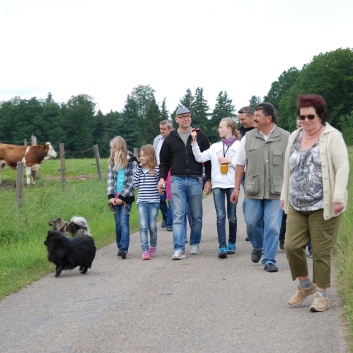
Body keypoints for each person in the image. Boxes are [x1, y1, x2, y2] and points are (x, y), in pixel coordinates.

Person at [281, 94, 349, 312]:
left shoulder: (332, 136)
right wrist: (284, 196)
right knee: (291, 246)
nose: (306, 120)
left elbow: (342, 167)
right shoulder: (294, 136)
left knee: (320, 252)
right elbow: (287, 170)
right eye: (302, 116)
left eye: (311, 116)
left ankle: (322, 294)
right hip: (296, 204)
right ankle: (305, 285)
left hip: (324, 204)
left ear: (320, 115)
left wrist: (338, 197)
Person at [230, 102, 289, 272]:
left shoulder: (286, 137)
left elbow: (292, 165)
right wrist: (236, 189)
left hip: (276, 190)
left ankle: (269, 260)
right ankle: (258, 246)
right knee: (251, 223)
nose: (253, 118)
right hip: (253, 189)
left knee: (272, 226)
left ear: (268, 118)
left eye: (257, 115)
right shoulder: (248, 138)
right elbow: (240, 164)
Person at [158, 106, 211, 260]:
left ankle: (195, 243)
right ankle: (179, 249)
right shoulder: (170, 138)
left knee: (196, 215)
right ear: (176, 119)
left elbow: (208, 159)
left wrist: (208, 179)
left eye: (188, 116)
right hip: (177, 180)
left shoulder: (200, 136)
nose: (186, 119)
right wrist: (162, 179)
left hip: (195, 179)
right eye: (182, 116)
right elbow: (164, 162)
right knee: (177, 215)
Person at [191, 117, 241, 258]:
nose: (218, 129)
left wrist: (229, 161)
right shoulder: (215, 147)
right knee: (220, 216)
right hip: (218, 184)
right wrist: (194, 142)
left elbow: (243, 164)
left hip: (232, 184)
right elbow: (200, 158)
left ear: (229, 129)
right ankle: (222, 246)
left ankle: (232, 242)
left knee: (231, 216)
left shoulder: (238, 146)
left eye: (221, 127)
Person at [107, 136, 138, 259]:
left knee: (124, 223)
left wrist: (121, 196)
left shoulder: (131, 161)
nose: (111, 150)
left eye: (112, 148)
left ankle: (123, 248)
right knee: (118, 224)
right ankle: (119, 245)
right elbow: (110, 179)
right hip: (115, 197)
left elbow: (132, 181)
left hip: (126, 197)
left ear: (118, 147)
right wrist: (111, 196)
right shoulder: (112, 161)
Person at [133, 144, 160, 260]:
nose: (142, 158)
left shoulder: (157, 170)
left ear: (150, 156)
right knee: (143, 226)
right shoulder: (139, 170)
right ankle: (145, 250)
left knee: (152, 226)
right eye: (141, 156)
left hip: (154, 202)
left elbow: (161, 184)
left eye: (144, 155)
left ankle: (152, 245)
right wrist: (138, 170)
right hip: (142, 202)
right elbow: (135, 185)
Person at [237, 106, 256, 241]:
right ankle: (251, 226)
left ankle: (257, 226)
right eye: (239, 119)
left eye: (243, 119)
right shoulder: (238, 133)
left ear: (251, 116)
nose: (241, 122)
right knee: (248, 199)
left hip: (258, 170)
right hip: (244, 172)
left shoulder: (260, 130)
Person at [153, 120, 173, 231]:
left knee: (170, 197)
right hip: (159, 170)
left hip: (171, 171)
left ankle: (170, 223)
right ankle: (165, 217)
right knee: (160, 198)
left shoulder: (174, 139)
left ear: (170, 129)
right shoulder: (157, 139)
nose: (162, 131)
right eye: (160, 129)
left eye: (164, 129)